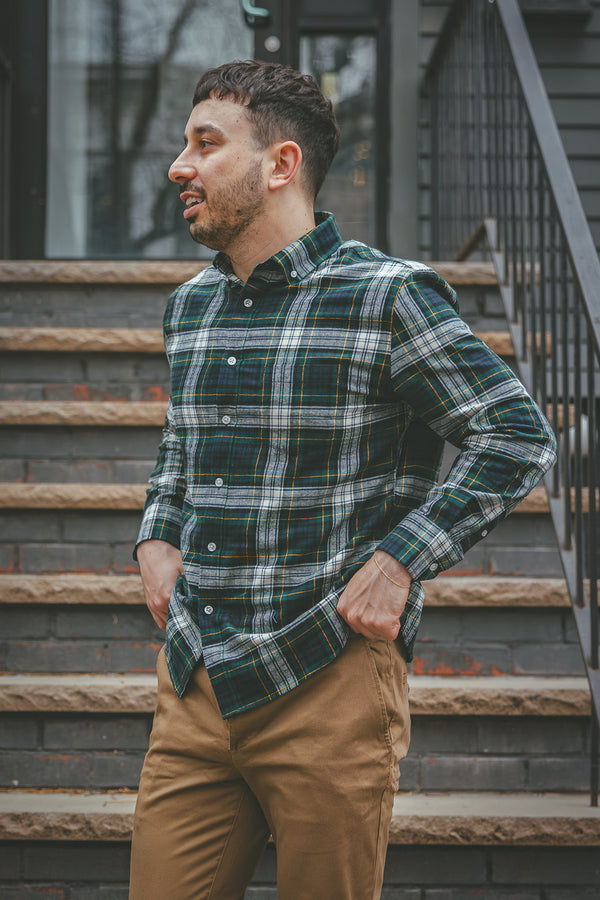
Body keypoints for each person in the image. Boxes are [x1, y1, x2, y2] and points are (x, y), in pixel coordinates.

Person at [129, 60, 557, 900]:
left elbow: (514, 434)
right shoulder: (190, 306)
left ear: (281, 164)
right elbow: (181, 447)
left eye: (205, 144)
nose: (180, 166)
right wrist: (153, 532)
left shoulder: (388, 295)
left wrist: (400, 561)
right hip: (196, 682)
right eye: (185, 144)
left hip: (326, 682)